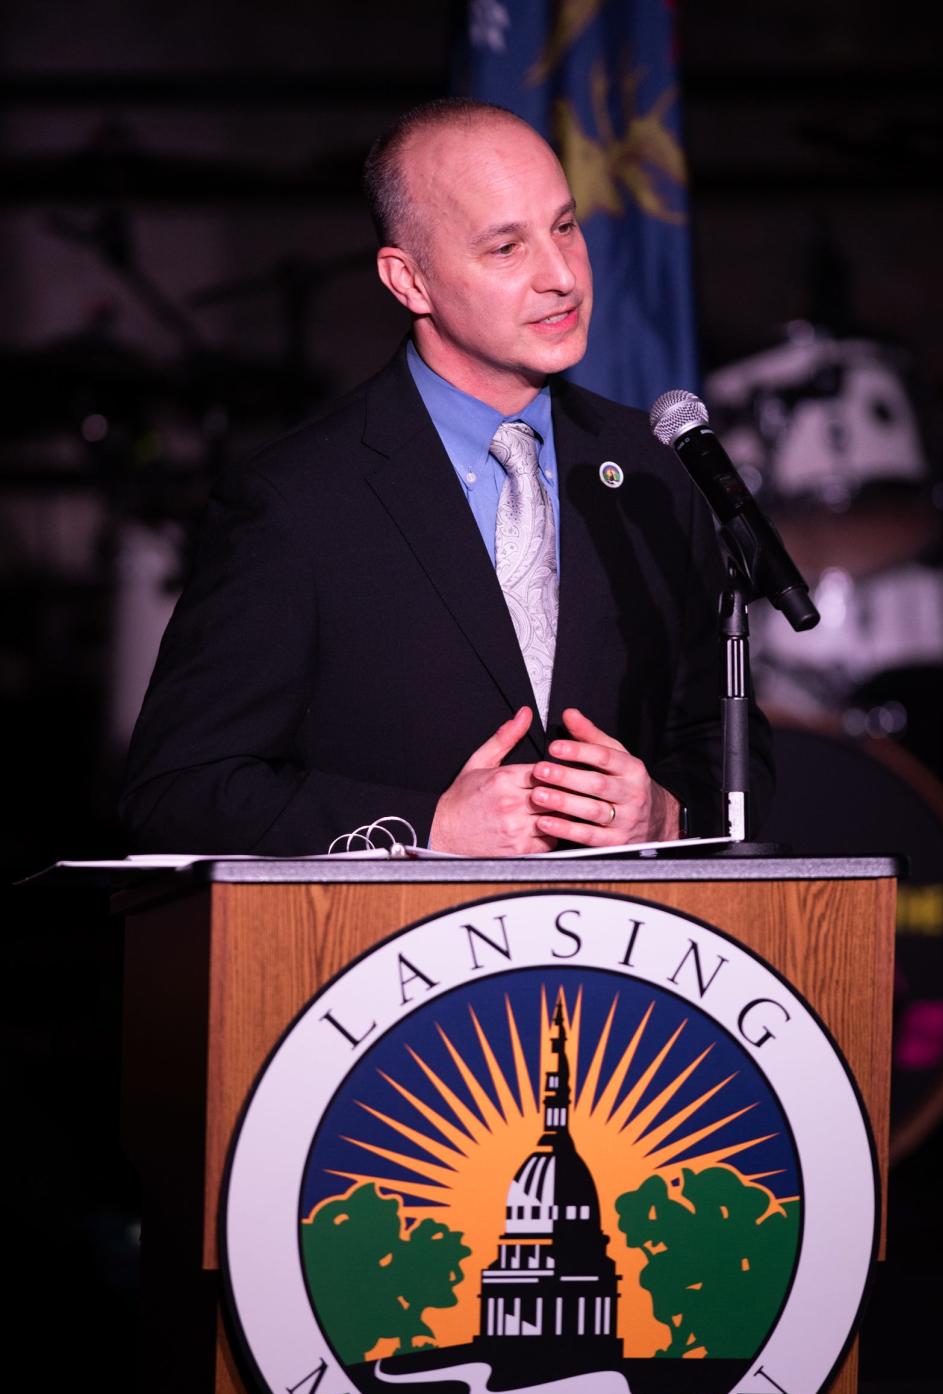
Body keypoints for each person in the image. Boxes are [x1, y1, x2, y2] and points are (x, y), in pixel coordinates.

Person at [120, 99, 772, 856]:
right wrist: (428, 827)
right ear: (409, 281)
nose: (562, 276)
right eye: (506, 249)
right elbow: (177, 789)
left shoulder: (659, 465)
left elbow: (728, 746)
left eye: (565, 227)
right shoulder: (296, 501)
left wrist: (667, 814)